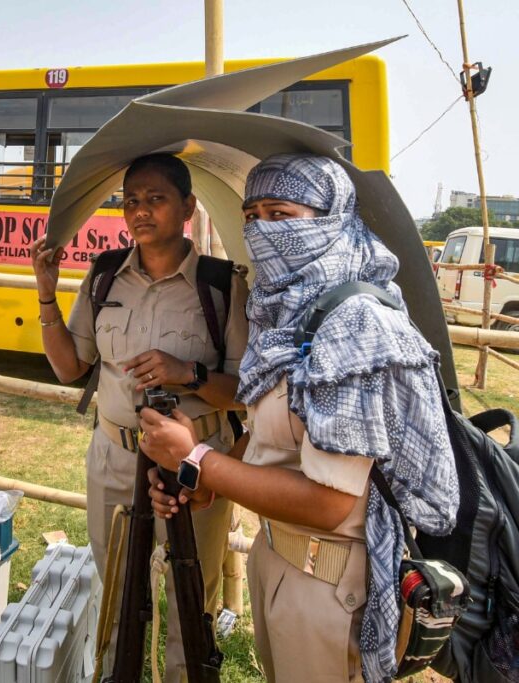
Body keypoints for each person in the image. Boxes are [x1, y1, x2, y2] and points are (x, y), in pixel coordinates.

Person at [139, 153, 459, 682]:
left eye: (282, 215)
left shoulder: (354, 324)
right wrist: (204, 480)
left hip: (331, 587)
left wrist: (194, 457)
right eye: (252, 216)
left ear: (332, 219)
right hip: (279, 562)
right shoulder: (286, 312)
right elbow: (273, 432)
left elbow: (330, 503)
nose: (263, 231)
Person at [32, 152, 248, 680]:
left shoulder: (222, 285)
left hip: (196, 462)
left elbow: (246, 393)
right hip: (113, 459)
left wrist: (187, 372)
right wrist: (45, 291)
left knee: (189, 594)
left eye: (156, 199)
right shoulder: (105, 275)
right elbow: (68, 367)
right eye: (131, 201)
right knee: (118, 589)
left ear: (188, 208)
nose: (141, 211)